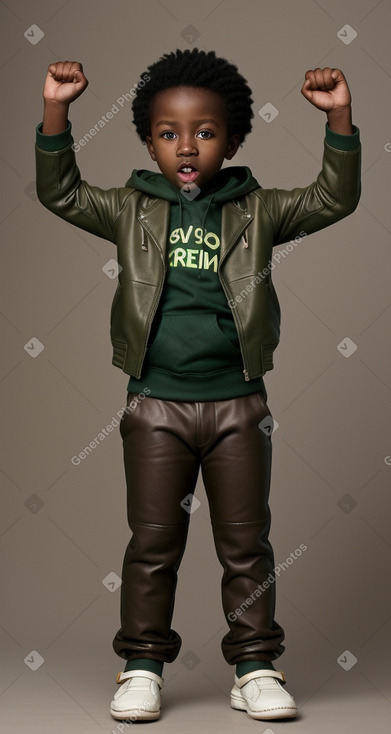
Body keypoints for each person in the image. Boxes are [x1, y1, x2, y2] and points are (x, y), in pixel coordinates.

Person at [35, 48, 361, 722]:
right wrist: (57, 110)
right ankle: (142, 666)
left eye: (205, 132)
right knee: (152, 544)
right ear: (148, 142)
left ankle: (254, 665)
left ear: (233, 139)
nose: (187, 147)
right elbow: (60, 191)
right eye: (168, 133)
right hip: (154, 404)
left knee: (247, 545)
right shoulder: (129, 209)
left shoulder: (258, 210)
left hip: (240, 404)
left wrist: (338, 121)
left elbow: (334, 197)